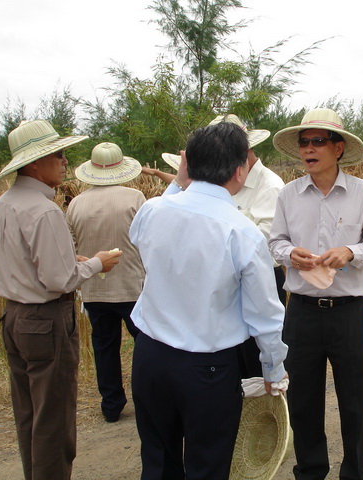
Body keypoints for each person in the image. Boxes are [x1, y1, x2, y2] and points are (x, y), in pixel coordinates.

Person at [129, 121, 288, 479]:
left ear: (187, 164)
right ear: (240, 170)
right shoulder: (242, 231)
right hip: (207, 369)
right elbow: (264, 315)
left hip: (150, 357)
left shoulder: (153, 210)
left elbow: (136, 236)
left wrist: (177, 182)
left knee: (157, 459)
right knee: (208, 465)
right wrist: (273, 370)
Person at [0, 120, 122, 480]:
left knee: (29, 413)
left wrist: (69, 262)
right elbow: (58, 280)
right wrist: (97, 263)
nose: (65, 161)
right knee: (54, 419)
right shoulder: (44, 210)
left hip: (14, 316)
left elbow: (18, 260)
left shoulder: (3, 204)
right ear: (35, 164)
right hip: (45, 321)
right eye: (58, 154)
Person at [269, 108, 363, 479]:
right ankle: (310, 470)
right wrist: (290, 254)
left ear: (338, 149)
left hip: (348, 312)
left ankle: (357, 472)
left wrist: (351, 252)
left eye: (317, 141)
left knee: (354, 400)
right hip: (302, 312)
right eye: (304, 142)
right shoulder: (288, 195)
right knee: (303, 401)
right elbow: (275, 241)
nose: (308, 149)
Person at [67, 142, 146, 423]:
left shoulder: (76, 204)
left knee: (104, 347)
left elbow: (70, 247)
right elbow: (147, 239)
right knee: (144, 346)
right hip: (132, 286)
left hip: (94, 288)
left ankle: (111, 405)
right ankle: (146, 400)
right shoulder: (135, 198)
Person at [209, 114, 288, 378]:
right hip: (230, 282)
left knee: (258, 359)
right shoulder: (224, 182)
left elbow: (264, 245)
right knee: (235, 360)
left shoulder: (270, 187)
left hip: (261, 280)